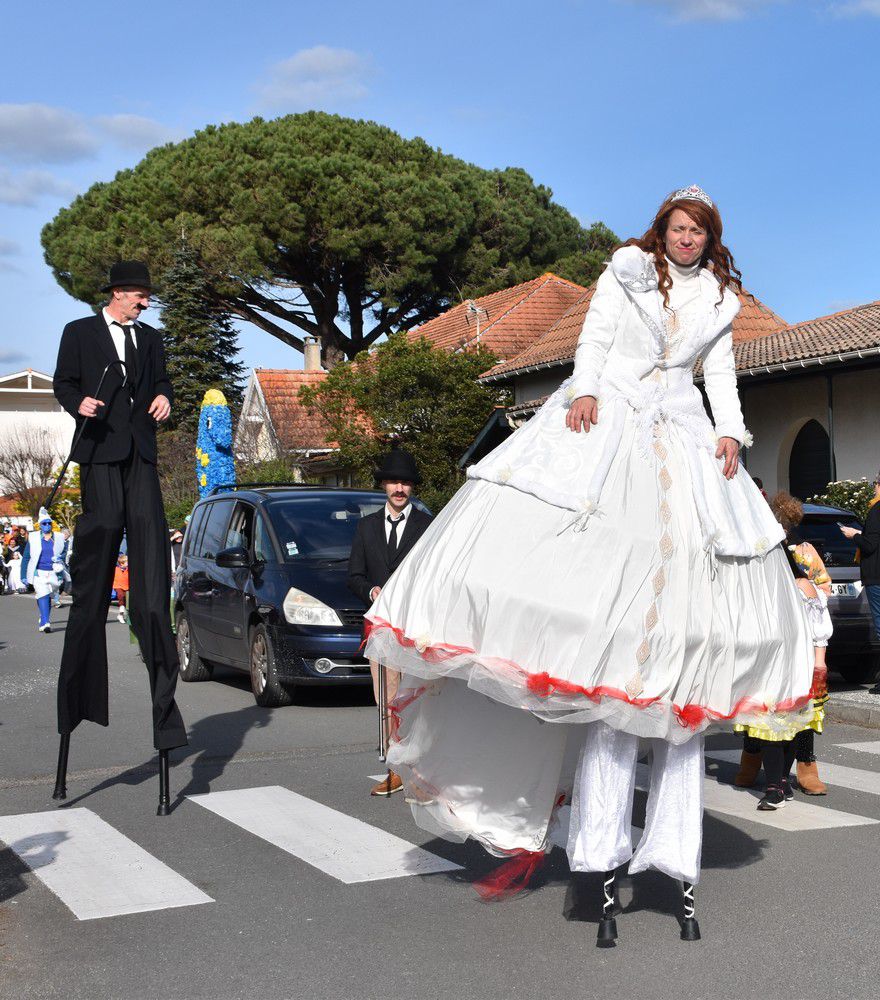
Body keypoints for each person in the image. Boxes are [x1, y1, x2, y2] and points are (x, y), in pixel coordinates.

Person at [365, 186, 814, 940]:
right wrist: (580, 392)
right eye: (677, 228)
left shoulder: (720, 299)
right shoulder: (628, 271)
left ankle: (673, 858)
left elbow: (723, 377)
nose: (686, 240)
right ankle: (597, 856)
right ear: (662, 230)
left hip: (684, 434)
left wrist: (732, 434)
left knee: (679, 706)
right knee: (601, 648)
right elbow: (598, 339)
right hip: (612, 419)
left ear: (710, 238)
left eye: (697, 232)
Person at [52, 260, 187, 763]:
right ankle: (88, 585)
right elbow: (63, 383)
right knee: (104, 525)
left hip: (140, 457)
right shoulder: (80, 332)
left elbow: (164, 382)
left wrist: (164, 399)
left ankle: (163, 691)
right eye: (139, 296)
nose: (146, 303)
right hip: (99, 452)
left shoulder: (149, 340)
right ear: (117, 292)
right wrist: (78, 404)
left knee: (151, 569)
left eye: (147, 297)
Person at [735, 492, 832, 801]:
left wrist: (808, 591)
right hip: (767, 646)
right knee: (758, 710)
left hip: (800, 643)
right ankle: (752, 764)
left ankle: (805, 769)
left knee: (801, 711)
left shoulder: (802, 552)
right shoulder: (757, 550)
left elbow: (824, 591)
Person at [348, 448, 433, 797]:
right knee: (386, 698)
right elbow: (353, 575)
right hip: (381, 627)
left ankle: (425, 771)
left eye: (406, 483)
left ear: (412, 488)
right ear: (384, 485)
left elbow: (434, 574)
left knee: (420, 699)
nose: (400, 489)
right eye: (394, 482)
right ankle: (394, 768)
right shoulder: (366, 527)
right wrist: (371, 590)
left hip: (416, 629)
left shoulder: (427, 526)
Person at [840, 473, 880, 695]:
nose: (874, 487)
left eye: (875, 483)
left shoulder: (876, 510)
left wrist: (854, 535)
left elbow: (871, 544)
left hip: (876, 575)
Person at [23, 508, 65, 632]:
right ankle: (46, 622)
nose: (47, 525)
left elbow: (64, 553)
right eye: (44, 523)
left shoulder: (58, 537)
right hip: (39, 573)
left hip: (54, 573)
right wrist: (23, 575)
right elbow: (26, 557)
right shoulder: (34, 538)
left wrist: (60, 558)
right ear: (40, 526)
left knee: (49, 596)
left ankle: (44, 615)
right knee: (43, 595)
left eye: (49, 523)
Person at [113, 553, 130, 625]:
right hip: (118, 586)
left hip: (126, 586)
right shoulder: (116, 569)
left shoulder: (128, 570)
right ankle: (122, 609)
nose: (128, 563)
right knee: (121, 596)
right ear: (122, 563)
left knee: (127, 601)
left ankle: (121, 615)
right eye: (127, 562)